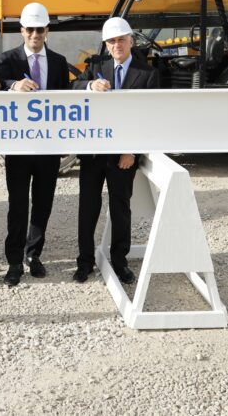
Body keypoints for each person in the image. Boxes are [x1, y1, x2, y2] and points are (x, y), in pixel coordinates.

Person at [72, 16, 160, 285]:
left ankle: (120, 262)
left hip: (123, 155)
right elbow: (71, 87)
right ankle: (85, 262)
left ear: (131, 41)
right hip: (94, 153)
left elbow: (149, 117)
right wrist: (89, 85)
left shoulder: (147, 75)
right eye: (111, 41)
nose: (116, 44)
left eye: (121, 39)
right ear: (106, 45)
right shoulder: (97, 67)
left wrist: (131, 151)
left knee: (121, 208)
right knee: (88, 207)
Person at [0, 2, 70, 287]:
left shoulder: (60, 62)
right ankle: (14, 261)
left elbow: (67, 101)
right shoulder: (8, 58)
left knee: (43, 203)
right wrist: (14, 85)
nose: (35, 35)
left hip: (49, 146)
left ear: (47, 31)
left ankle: (33, 255)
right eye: (30, 30)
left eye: (40, 30)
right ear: (22, 30)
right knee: (17, 205)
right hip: (19, 146)